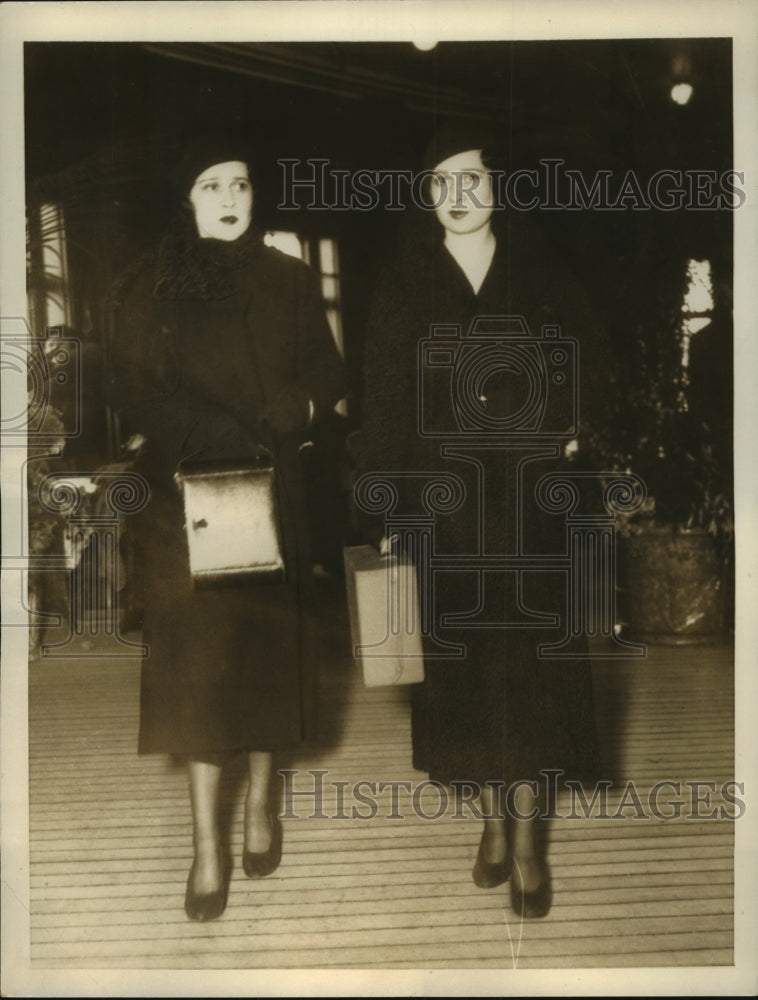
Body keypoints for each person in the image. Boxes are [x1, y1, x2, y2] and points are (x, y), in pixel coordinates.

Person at [360, 126, 608, 918]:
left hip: (533, 507)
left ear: (497, 187)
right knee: (467, 680)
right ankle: (494, 824)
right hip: (445, 511)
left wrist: (566, 428)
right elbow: (384, 406)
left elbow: (589, 362)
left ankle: (531, 848)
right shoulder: (399, 284)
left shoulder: (545, 273)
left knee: (533, 678)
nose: (457, 197)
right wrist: (394, 509)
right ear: (427, 201)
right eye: (440, 184)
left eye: (470, 179)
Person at [107, 137, 346, 921]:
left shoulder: (289, 277)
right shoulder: (153, 286)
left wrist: (302, 407)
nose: (230, 197)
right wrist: (206, 429)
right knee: (200, 677)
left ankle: (262, 807)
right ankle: (207, 848)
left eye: (240, 183)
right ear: (188, 200)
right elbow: (135, 391)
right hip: (190, 501)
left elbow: (327, 367)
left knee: (268, 660)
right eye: (212, 185)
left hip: (275, 495)